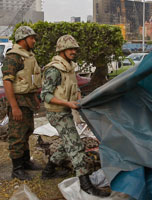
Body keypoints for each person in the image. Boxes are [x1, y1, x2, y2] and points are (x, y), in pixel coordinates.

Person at [40, 35, 110, 197]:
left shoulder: (69, 66)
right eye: (70, 49)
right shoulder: (54, 69)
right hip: (57, 113)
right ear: (62, 50)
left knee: (68, 143)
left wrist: (79, 100)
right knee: (76, 147)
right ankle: (85, 184)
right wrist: (68, 104)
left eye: (75, 49)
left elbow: (74, 87)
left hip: (66, 111)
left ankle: (48, 170)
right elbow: (45, 95)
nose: (74, 52)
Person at [2, 26, 42, 180]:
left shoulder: (28, 56)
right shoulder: (14, 57)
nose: (34, 41)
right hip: (18, 102)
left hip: (28, 101)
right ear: (22, 39)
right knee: (17, 135)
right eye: (31, 38)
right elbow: (7, 83)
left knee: (27, 131)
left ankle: (25, 162)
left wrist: (36, 99)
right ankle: (17, 169)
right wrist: (14, 107)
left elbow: (31, 80)